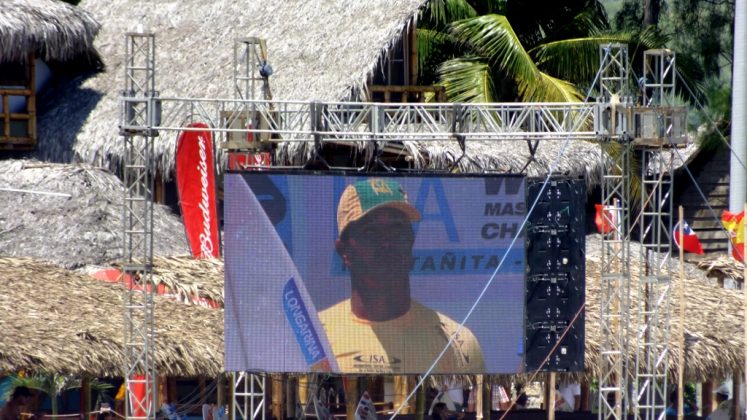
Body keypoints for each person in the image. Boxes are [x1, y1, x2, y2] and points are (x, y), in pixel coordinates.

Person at [318, 178, 485, 373]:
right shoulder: (315, 336)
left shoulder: (458, 344)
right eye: (371, 232)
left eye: (397, 230)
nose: (387, 244)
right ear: (344, 251)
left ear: (411, 240)